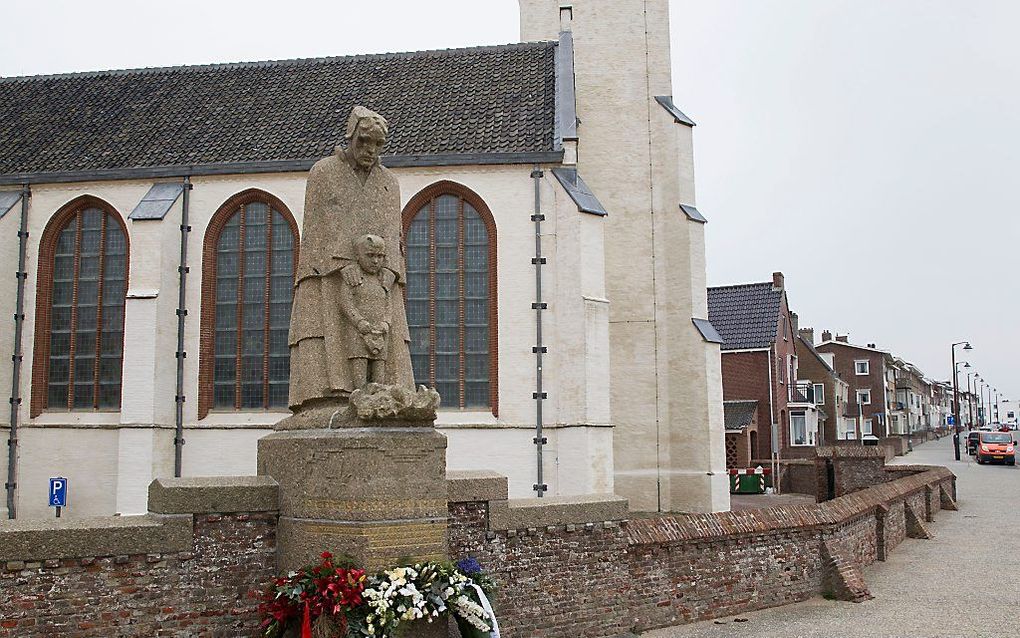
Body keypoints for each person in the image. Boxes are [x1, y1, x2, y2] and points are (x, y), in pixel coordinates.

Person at [288, 106, 415, 413]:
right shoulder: (323, 172)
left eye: (377, 145)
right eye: (364, 142)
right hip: (331, 275)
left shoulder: (389, 181)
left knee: (384, 349)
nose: (370, 150)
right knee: (327, 333)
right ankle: (328, 397)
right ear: (351, 137)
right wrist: (340, 265)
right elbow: (316, 227)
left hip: (379, 277)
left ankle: (384, 396)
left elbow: (393, 230)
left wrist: (392, 271)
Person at [337, 234, 394, 388]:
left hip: (380, 332)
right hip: (358, 332)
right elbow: (345, 302)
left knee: (379, 376)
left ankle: (378, 404)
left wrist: (386, 322)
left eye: (380, 256)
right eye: (370, 256)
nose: (375, 261)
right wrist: (359, 321)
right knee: (359, 372)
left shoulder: (383, 279)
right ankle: (360, 402)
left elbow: (389, 303)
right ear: (358, 255)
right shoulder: (352, 277)